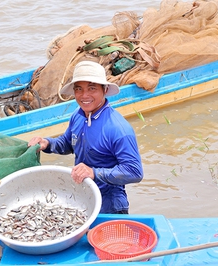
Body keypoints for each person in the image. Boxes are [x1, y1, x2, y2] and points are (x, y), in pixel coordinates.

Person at [28, 60, 143, 214]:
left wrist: (94, 173)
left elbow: (134, 172)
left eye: (92, 88)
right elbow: (67, 143)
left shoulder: (118, 129)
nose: (84, 95)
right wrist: (46, 143)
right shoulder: (78, 115)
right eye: (79, 89)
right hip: (83, 196)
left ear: (105, 89)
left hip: (110, 205)